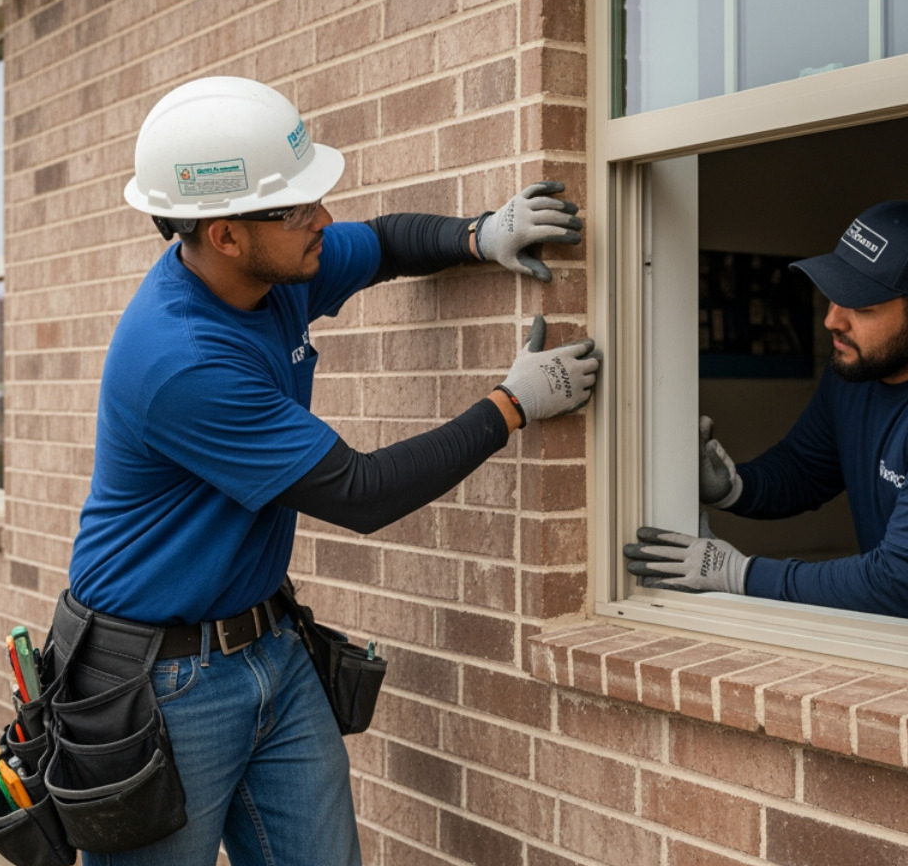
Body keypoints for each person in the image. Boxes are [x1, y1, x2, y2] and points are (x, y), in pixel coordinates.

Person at [64, 76, 599, 866]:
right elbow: (361, 492)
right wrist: (511, 404)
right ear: (226, 236)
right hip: (160, 687)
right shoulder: (181, 361)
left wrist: (481, 234)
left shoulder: (273, 269)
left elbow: (381, 241)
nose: (323, 219)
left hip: (268, 647)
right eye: (297, 208)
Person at [623, 200, 908, 638]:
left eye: (862, 306)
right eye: (834, 292)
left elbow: (898, 584)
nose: (832, 319)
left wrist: (739, 575)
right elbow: (806, 468)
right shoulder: (859, 366)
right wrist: (736, 487)